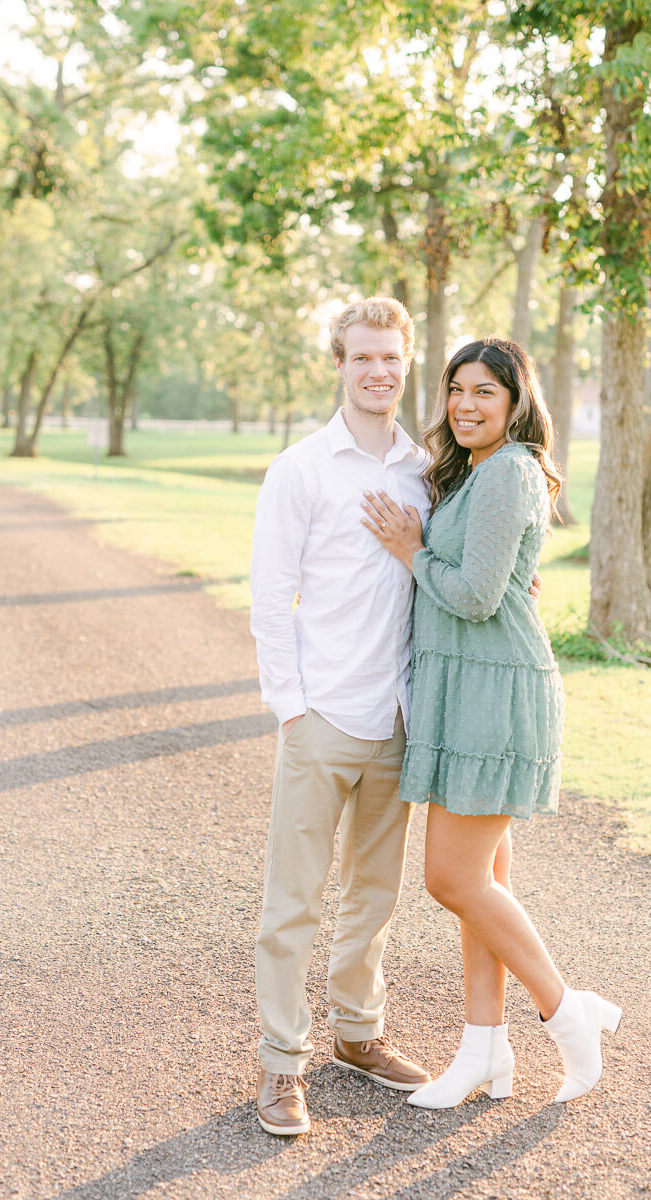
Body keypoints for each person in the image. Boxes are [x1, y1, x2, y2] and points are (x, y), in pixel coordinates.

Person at [361, 337, 621, 1109]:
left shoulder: (508, 469)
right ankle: (485, 1052)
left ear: (515, 401)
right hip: (462, 688)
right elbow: (497, 575)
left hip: (496, 693)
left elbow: (474, 596)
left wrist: (412, 551)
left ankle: (568, 1011)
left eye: (486, 393)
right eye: (457, 390)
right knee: (485, 884)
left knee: (453, 878)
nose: (468, 405)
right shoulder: (474, 470)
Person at [249, 297, 434, 1136]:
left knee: (375, 896)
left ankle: (359, 1036)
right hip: (321, 715)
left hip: (396, 717)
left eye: (391, 358)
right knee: (294, 902)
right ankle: (281, 1066)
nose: (378, 371)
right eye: (363, 357)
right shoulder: (301, 468)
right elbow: (269, 595)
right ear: (339, 364)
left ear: (407, 363)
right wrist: (292, 707)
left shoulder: (424, 468)